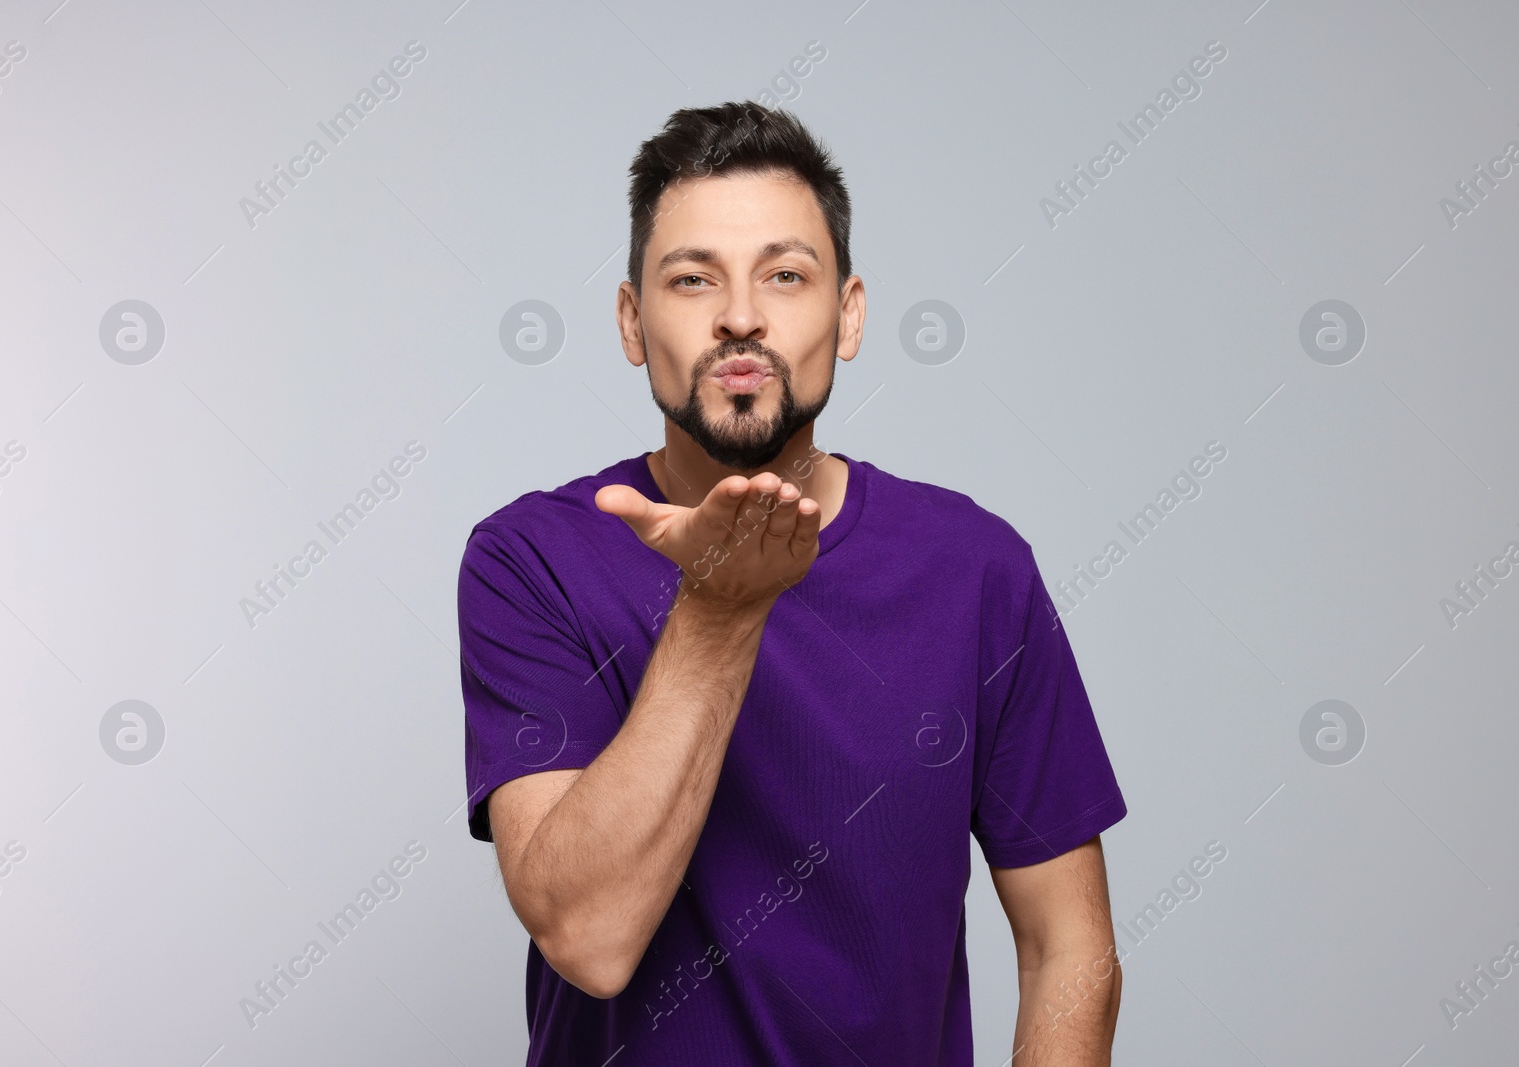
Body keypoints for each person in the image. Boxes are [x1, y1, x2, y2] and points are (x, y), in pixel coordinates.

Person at [459, 100, 1127, 1066]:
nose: (740, 315)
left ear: (848, 314)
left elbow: (1070, 945)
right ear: (632, 320)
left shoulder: (976, 568)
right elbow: (589, 936)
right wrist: (720, 609)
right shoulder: (532, 560)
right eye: (693, 280)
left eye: (785, 274)